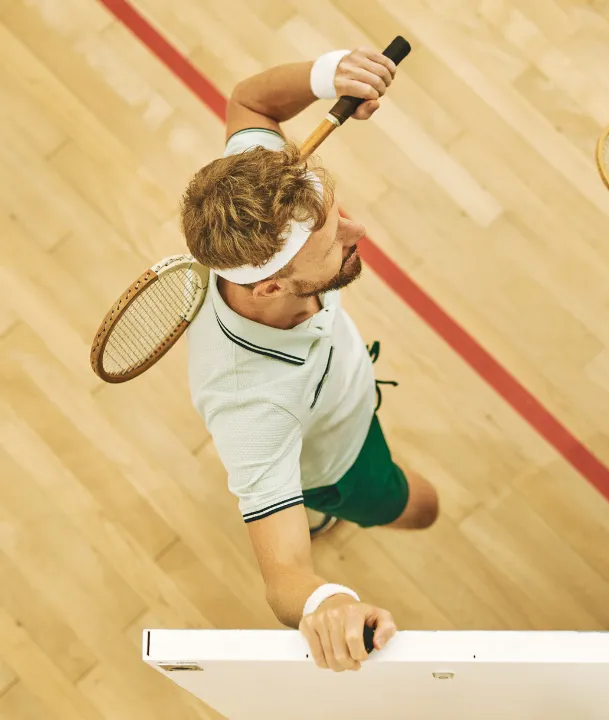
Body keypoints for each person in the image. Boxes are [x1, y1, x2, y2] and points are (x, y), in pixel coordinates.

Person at [179, 46, 440, 671]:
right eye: (334, 243)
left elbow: (250, 97)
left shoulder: (257, 184)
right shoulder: (251, 407)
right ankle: (318, 506)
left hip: (339, 387)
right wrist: (327, 600)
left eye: (336, 214)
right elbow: (283, 574)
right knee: (423, 508)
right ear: (268, 286)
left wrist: (328, 74)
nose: (358, 233)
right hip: (340, 464)